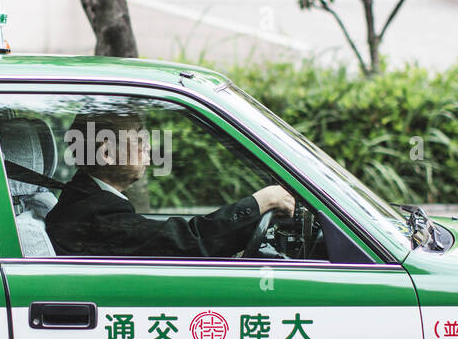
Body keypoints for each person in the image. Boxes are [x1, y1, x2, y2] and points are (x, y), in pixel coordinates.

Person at [45, 109, 294, 257]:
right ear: (107, 153)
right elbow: (186, 242)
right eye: (140, 139)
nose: (149, 148)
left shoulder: (81, 199)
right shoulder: (97, 215)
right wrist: (261, 201)